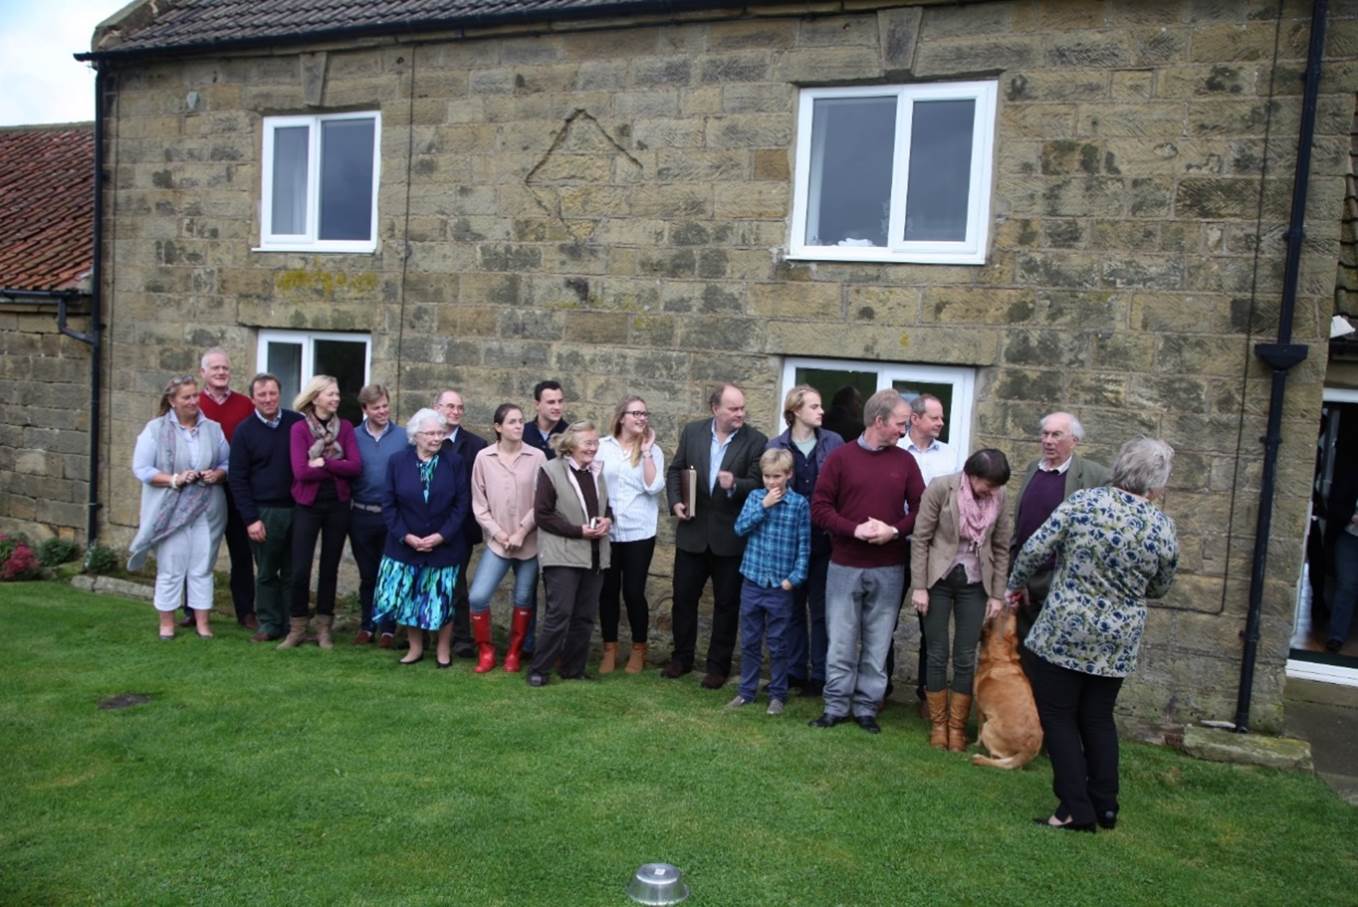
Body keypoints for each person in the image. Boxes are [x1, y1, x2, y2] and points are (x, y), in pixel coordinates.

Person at [1007, 437, 1178, 833]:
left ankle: (1074, 809)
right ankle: (1105, 805)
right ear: (1157, 484)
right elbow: (1160, 586)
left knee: (1060, 716)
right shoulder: (1161, 525)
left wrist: (1015, 584)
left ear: (1120, 468)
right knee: (1099, 717)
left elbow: (1034, 549)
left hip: (1066, 628)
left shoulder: (1083, 503)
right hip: (1118, 637)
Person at [809, 389, 925, 734]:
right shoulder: (841, 458)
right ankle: (834, 707)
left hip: (889, 567)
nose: (904, 431)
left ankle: (866, 709)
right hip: (844, 565)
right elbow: (819, 508)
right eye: (900, 424)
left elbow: (922, 510)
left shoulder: (905, 462)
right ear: (879, 421)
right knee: (841, 641)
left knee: (878, 643)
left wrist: (894, 530)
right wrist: (854, 530)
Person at [663, 383, 768, 688]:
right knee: (683, 600)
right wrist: (675, 502)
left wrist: (734, 483)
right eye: (733, 408)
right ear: (715, 409)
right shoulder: (692, 432)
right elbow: (675, 471)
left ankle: (717, 667)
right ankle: (681, 658)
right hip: (692, 533)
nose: (740, 413)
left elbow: (759, 484)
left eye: (742, 408)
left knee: (726, 605)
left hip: (730, 539)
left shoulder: (756, 440)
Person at [910, 449, 1013, 751]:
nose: (992, 492)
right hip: (937, 581)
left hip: (975, 583)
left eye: (996, 487)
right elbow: (921, 539)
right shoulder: (942, 488)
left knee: (966, 656)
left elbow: (1002, 546)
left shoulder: (1000, 497)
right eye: (988, 485)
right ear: (973, 475)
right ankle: (938, 725)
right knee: (937, 652)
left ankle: (957, 728)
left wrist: (996, 594)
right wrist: (919, 587)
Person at [128, 374, 229, 640]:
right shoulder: (155, 429)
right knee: (171, 566)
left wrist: (217, 474)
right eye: (187, 397)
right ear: (172, 401)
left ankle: (203, 623)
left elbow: (228, 463)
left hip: (207, 508)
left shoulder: (213, 428)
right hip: (170, 508)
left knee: (202, 566)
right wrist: (173, 479)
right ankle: (167, 623)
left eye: (196, 395)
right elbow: (141, 469)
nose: (194, 401)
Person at [370, 408, 469, 667]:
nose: (437, 438)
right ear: (416, 435)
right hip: (406, 546)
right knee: (410, 599)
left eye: (440, 432)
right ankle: (415, 648)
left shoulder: (455, 463)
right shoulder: (397, 461)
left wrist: (441, 536)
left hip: (443, 546)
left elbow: (462, 505)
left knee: (442, 599)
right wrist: (406, 536)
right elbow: (388, 503)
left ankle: (442, 650)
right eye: (431, 433)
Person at [765, 385, 843, 697]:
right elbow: (768, 490)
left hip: (824, 540)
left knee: (822, 610)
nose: (821, 412)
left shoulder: (834, 443)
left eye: (820, 406)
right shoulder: (777, 445)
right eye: (814, 406)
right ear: (795, 410)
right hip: (790, 540)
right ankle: (796, 672)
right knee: (792, 609)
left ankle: (821, 674)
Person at [1010, 411, 1110, 650]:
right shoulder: (1034, 468)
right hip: (1026, 575)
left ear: (1074, 440)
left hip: (1061, 577)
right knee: (1023, 648)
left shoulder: (1095, 475)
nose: (1048, 440)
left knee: (1051, 651)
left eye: (1056, 435)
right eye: (1045, 434)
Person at [280, 375, 362, 651]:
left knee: (330, 568)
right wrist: (335, 463)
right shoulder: (299, 430)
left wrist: (324, 462)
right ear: (315, 398)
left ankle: (324, 628)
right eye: (331, 394)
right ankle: (298, 627)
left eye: (337, 394)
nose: (336, 399)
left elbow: (355, 467)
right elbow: (300, 472)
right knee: (301, 569)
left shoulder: (346, 428)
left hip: (337, 504)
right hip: (308, 506)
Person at [528, 421, 612, 687]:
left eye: (595, 443)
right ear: (571, 445)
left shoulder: (596, 473)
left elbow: (604, 508)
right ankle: (538, 670)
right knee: (559, 614)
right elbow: (542, 515)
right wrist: (578, 531)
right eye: (588, 443)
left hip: (595, 553)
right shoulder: (551, 470)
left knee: (585, 616)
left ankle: (573, 669)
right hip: (562, 554)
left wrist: (608, 520)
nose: (593, 448)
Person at [727, 448, 810, 716]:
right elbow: (739, 529)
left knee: (778, 642)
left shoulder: (798, 505)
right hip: (753, 579)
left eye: (777, 476)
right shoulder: (755, 498)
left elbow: (804, 547)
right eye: (766, 477)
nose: (772, 482)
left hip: (780, 586)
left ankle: (778, 694)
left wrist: (794, 579)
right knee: (750, 640)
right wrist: (763, 508)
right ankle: (746, 692)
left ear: (788, 475)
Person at [467, 403, 546, 673]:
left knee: (523, 598)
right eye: (512, 422)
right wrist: (500, 534)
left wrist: (522, 531)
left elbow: (542, 502)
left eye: (521, 421)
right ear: (498, 427)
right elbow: (479, 504)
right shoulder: (483, 458)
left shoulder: (536, 457)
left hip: (529, 542)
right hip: (498, 543)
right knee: (478, 596)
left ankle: (514, 652)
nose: (518, 426)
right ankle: (486, 651)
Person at [228, 373, 304, 643]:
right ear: (253, 399)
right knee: (268, 571)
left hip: (297, 508)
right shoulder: (244, 431)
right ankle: (269, 623)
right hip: (264, 512)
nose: (269, 399)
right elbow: (237, 478)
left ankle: (291, 625)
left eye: (273, 393)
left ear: (279, 394)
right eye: (262, 395)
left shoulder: (297, 423)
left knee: (293, 570)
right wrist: (250, 519)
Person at [596, 396, 665, 674]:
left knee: (634, 592)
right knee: (607, 591)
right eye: (635, 413)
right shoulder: (602, 447)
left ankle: (639, 649)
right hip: (609, 532)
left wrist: (646, 452)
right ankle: (609, 649)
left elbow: (653, 487)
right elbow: (594, 482)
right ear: (621, 416)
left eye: (644, 414)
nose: (641, 418)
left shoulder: (653, 450)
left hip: (640, 531)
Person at [195, 347, 258, 629]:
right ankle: (192, 609)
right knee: (199, 552)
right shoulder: (193, 404)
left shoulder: (246, 405)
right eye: (215, 368)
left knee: (242, 554)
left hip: (237, 489)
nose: (221, 372)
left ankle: (245, 612)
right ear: (203, 373)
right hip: (200, 489)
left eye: (225, 368)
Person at [901, 392, 953, 710]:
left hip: (933, 551)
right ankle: (880, 690)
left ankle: (926, 693)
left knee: (930, 625)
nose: (940, 423)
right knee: (885, 620)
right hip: (894, 545)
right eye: (935, 417)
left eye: (942, 418)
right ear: (915, 419)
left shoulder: (949, 456)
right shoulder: (893, 451)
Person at [349, 384, 406, 646]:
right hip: (361, 513)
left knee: (390, 572)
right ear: (364, 409)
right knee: (368, 574)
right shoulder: (352, 436)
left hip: (392, 516)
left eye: (385, 405)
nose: (383, 411)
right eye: (376, 408)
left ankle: (388, 628)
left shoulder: (403, 437)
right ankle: (367, 624)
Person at [435, 388, 488, 658]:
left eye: (459, 407)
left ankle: (462, 639)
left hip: (461, 527)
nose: (455, 411)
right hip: (427, 525)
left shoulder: (477, 445)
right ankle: (423, 633)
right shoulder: (426, 439)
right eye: (449, 406)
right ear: (437, 407)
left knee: (456, 583)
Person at [523, 380, 568, 459]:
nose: (557, 407)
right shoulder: (523, 433)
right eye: (551, 402)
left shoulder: (571, 435)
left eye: (560, 401)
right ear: (537, 405)